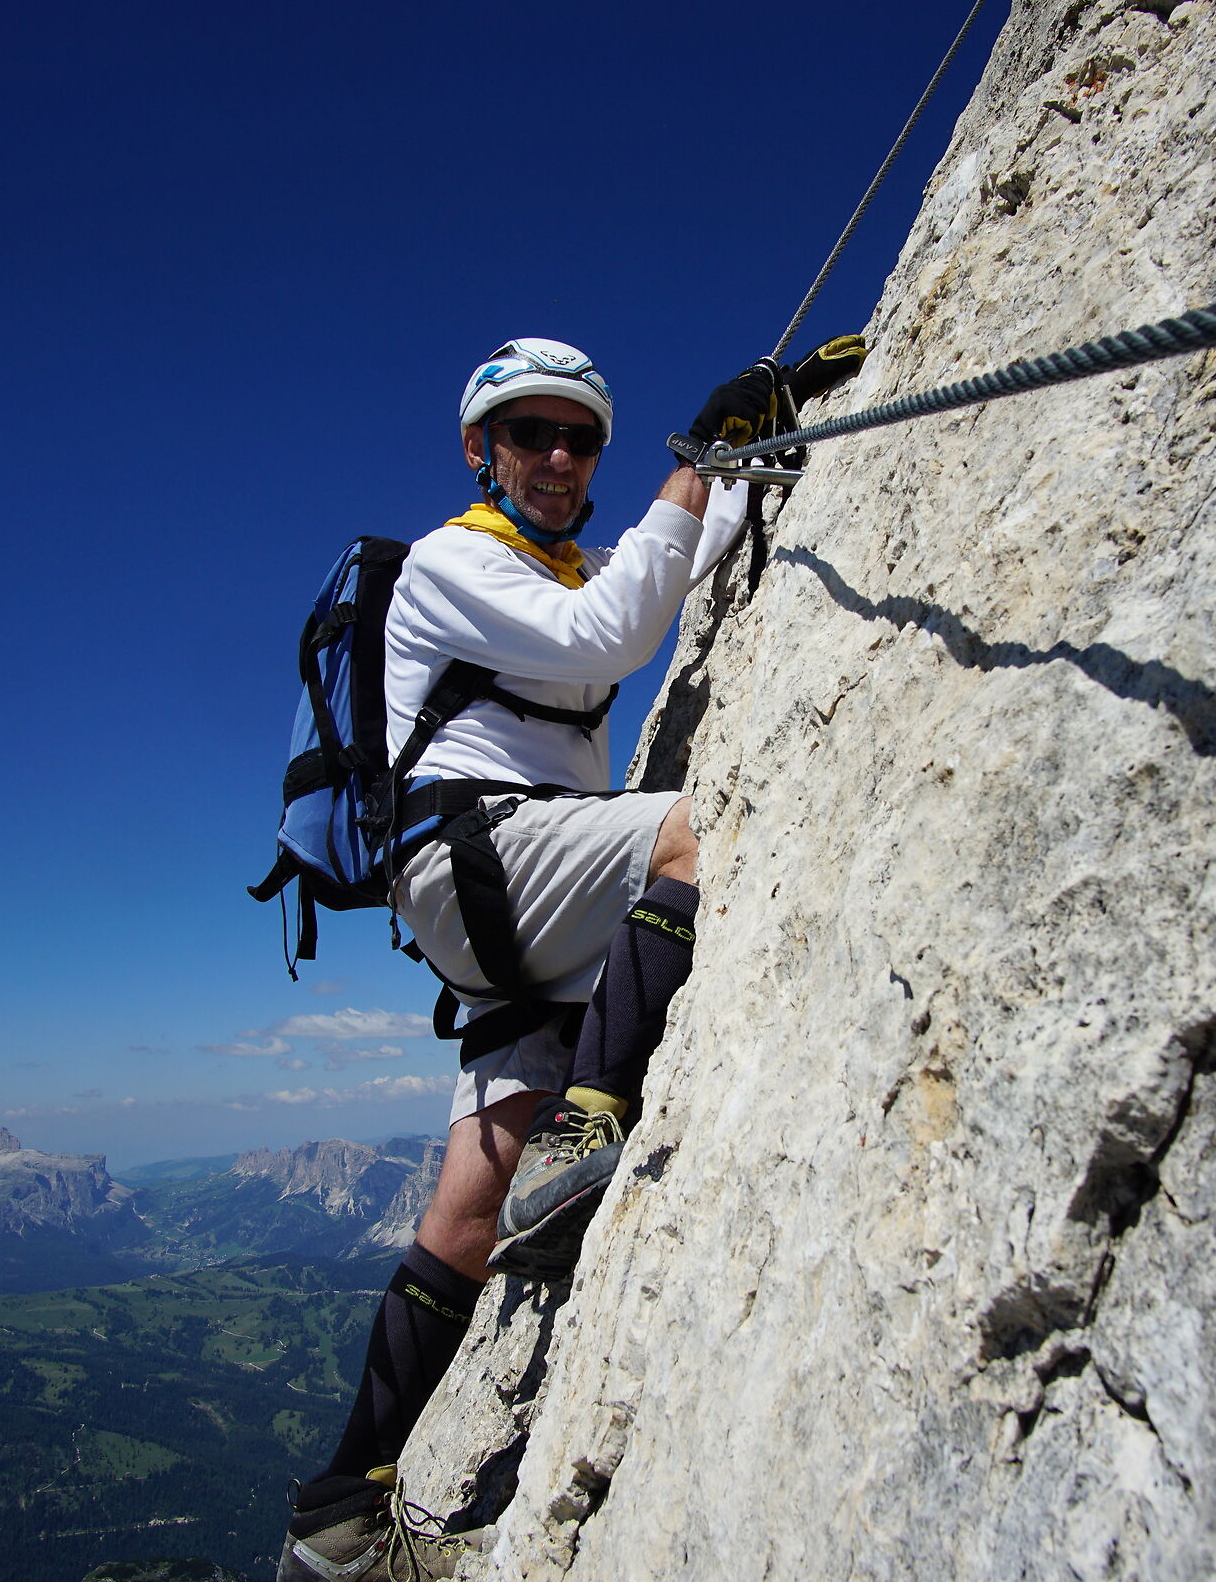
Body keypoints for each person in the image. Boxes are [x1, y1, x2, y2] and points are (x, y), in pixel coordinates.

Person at [278, 335, 862, 1581]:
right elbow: (613, 633)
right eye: (529, 434)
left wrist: (767, 429)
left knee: (466, 1205)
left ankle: (335, 1513)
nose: (555, 456)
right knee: (695, 830)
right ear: (479, 448)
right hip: (482, 857)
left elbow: (676, 557)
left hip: (498, 897)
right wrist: (693, 455)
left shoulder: (561, 563)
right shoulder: (451, 562)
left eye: (580, 437)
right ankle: (584, 1129)